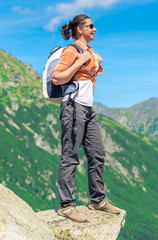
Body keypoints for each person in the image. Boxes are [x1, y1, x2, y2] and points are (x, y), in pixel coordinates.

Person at [52, 14, 121, 222]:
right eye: (91, 26)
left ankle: (98, 200)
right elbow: (57, 77)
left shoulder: (88, 51)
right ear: (79, 29)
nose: (95, 29)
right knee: (70, 157)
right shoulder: (72, 50)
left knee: (97, 154)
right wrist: (80, 61)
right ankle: (66, 205)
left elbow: (88, 76)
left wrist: (94, 60)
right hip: (73, 108)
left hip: (88, 110)